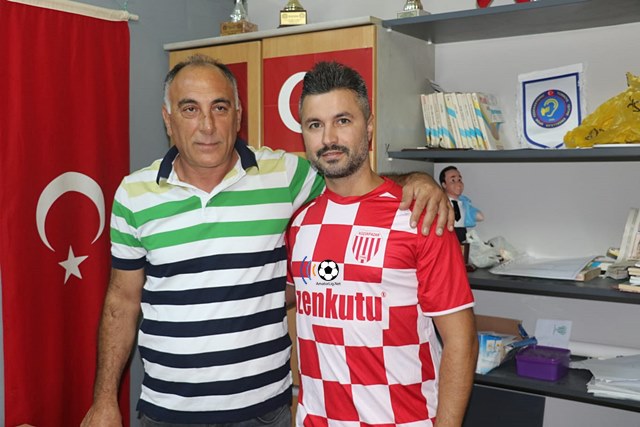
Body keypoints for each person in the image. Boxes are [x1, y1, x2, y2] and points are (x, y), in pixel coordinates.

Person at [81, 54, 454, 426]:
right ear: (168, 119)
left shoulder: (284, 175)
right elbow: (121, 302)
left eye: (220, 107)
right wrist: (104, 400)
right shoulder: (134, 195)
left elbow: (351, 177)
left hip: (264, 411)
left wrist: (417, 182)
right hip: (167, 410)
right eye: (190, 109)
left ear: (238, 116)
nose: (207, 125)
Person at [286, 61, 478, 427]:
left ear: (369, 127)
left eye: (343, 121)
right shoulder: (299, 223)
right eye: (315, 125)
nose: (329, 138)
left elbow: (462, 341)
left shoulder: (419, 216)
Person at [439, 166, 484, 244]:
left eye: (459, 180)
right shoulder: (441, 202)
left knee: (461, 248)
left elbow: (474, 214)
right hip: (446, 232)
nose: (458, 183)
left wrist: (475, 214)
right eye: (453, 180)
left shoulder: (465, 203)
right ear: (444, 185)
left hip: (462, 232)